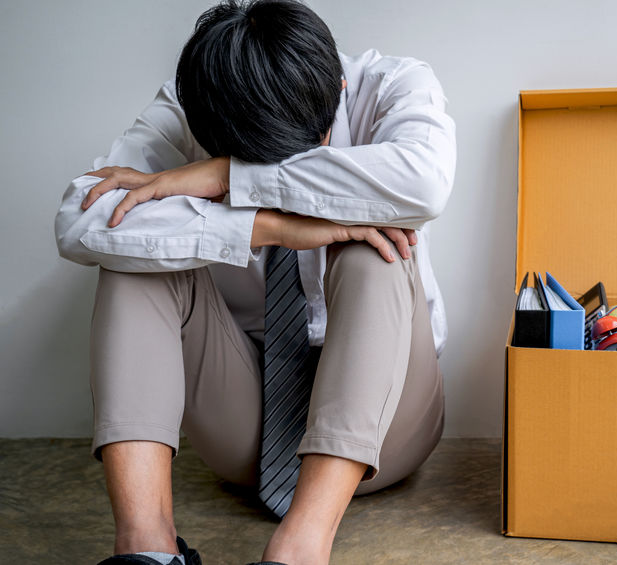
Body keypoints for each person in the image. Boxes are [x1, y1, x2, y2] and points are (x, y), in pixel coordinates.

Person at [53, 1, 456, 564]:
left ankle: (299, 550)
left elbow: (425, 185)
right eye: (240, 157)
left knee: (373, 245)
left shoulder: (392, 85)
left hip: (390, 426)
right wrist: (269, 226)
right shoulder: (192, 102)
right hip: (244, 419)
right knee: (133, 258)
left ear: (338, 89)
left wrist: (228, 177)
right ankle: (147, 550)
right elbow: (82, 222)